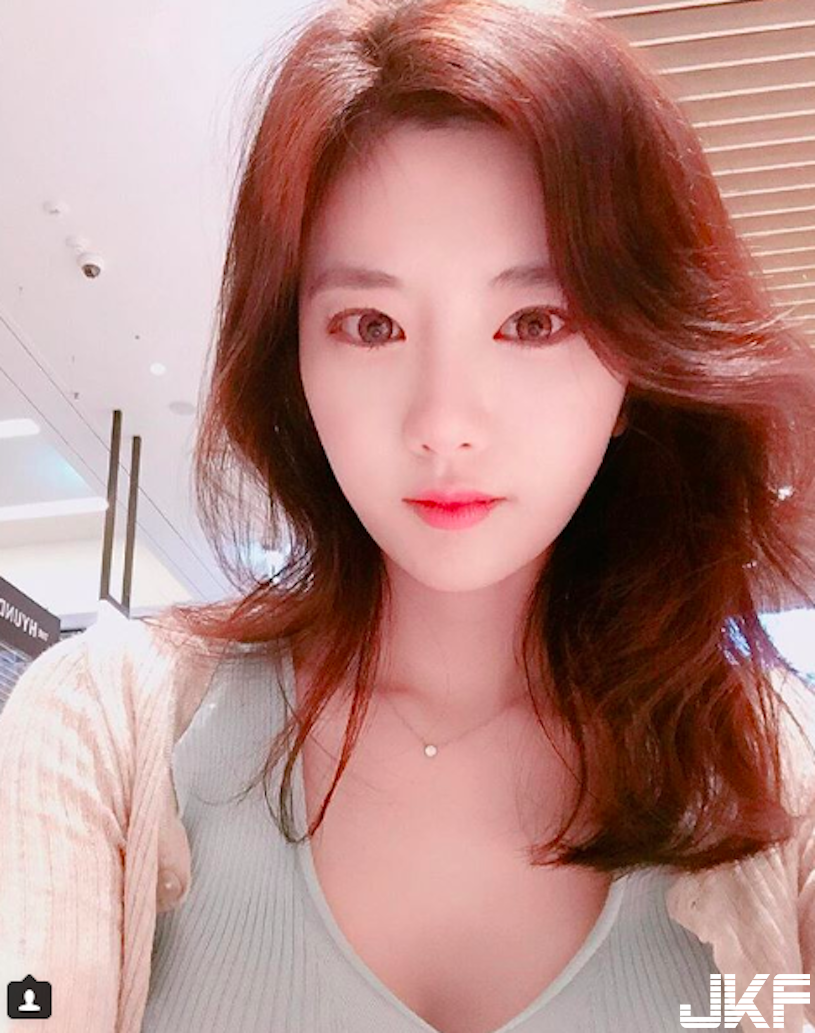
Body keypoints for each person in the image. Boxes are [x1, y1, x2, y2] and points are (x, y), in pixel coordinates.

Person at [1, 0, 815, 1031]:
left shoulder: (769, 768)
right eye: (370, 325)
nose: (442, 424)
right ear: (292, 362)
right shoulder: (109, 728)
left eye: (533, 321)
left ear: (638, 365)